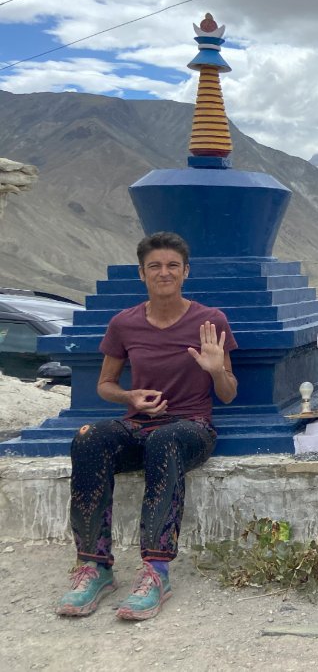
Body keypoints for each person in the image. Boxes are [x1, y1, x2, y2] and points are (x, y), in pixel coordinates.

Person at [56, 231, 237, 621]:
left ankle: (156, 571)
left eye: (173, 265)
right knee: (88, 439)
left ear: (186, 272)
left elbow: (227, 394)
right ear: (142, 273)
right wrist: (130, 397)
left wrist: (215, 368)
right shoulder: (124, 323)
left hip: (190, 429)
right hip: (138, 426)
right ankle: (95, 566)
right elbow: (105, 385)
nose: (164, 272)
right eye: (155, 266)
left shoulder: (210, 321)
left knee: (166, 440)